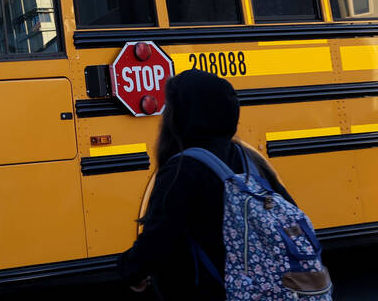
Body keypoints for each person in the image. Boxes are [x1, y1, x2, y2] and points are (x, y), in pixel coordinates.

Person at [119, 69, 296, 300]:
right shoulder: (250, 160)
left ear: (183, 116)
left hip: (205, 289)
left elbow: (159, 237)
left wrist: (131, 269)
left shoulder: (183, 169)